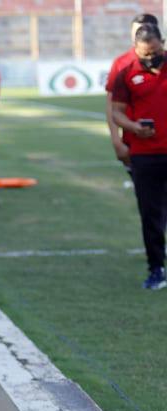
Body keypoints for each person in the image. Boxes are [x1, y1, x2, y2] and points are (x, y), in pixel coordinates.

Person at [111, 24, 167, 290]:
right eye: (145, 54)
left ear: (162, 44)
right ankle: (156, 268)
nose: (150, 58)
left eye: (155, 52)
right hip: (144, 155)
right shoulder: (127, 73)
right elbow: (116, 112)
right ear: (136, 49)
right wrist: (133, 128)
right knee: (150, 214)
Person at [105, 13, 160, 169]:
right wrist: (116, 141)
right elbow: (112, 105)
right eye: (136, 31)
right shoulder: (122, 63)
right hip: (136, 144)